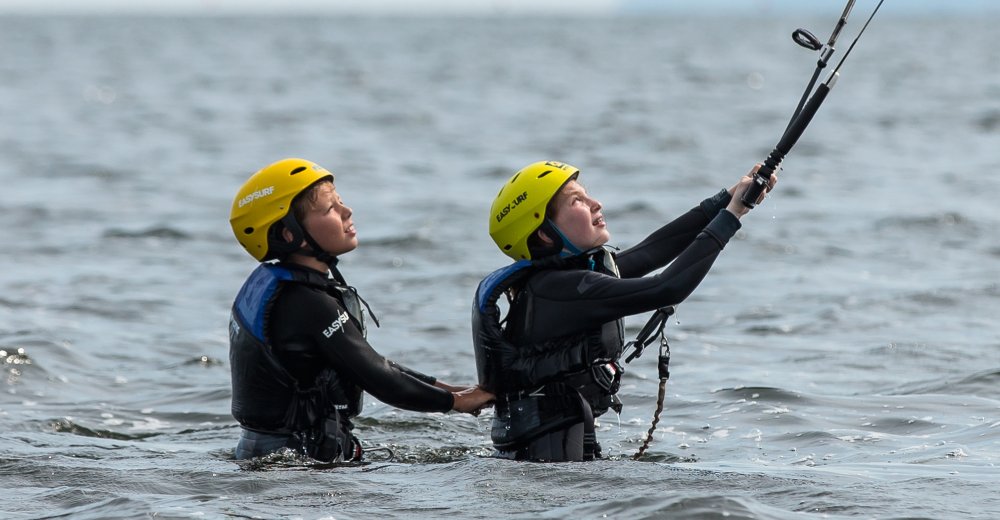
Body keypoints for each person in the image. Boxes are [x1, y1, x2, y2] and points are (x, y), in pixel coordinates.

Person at [472, 160, 776, 462]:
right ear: (545, 235)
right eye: (577, 201)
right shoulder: (561, 290)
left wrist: (731, 198)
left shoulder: (561, 282)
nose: (595, 203)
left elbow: (651, 251)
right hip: (546, 471)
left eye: (586, 194)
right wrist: (731, 216)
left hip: (551, 451)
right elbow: (666, 288)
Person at [228, 157, 494, 462]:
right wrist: (454, 403)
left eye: (340, 201)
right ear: (289, 234)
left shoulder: (288, 290)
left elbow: (366, 360)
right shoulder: (305, 302)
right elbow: (378, 378)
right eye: (330, 209)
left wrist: (446, 388)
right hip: (299, 463)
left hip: (268, 453)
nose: (347, 211)